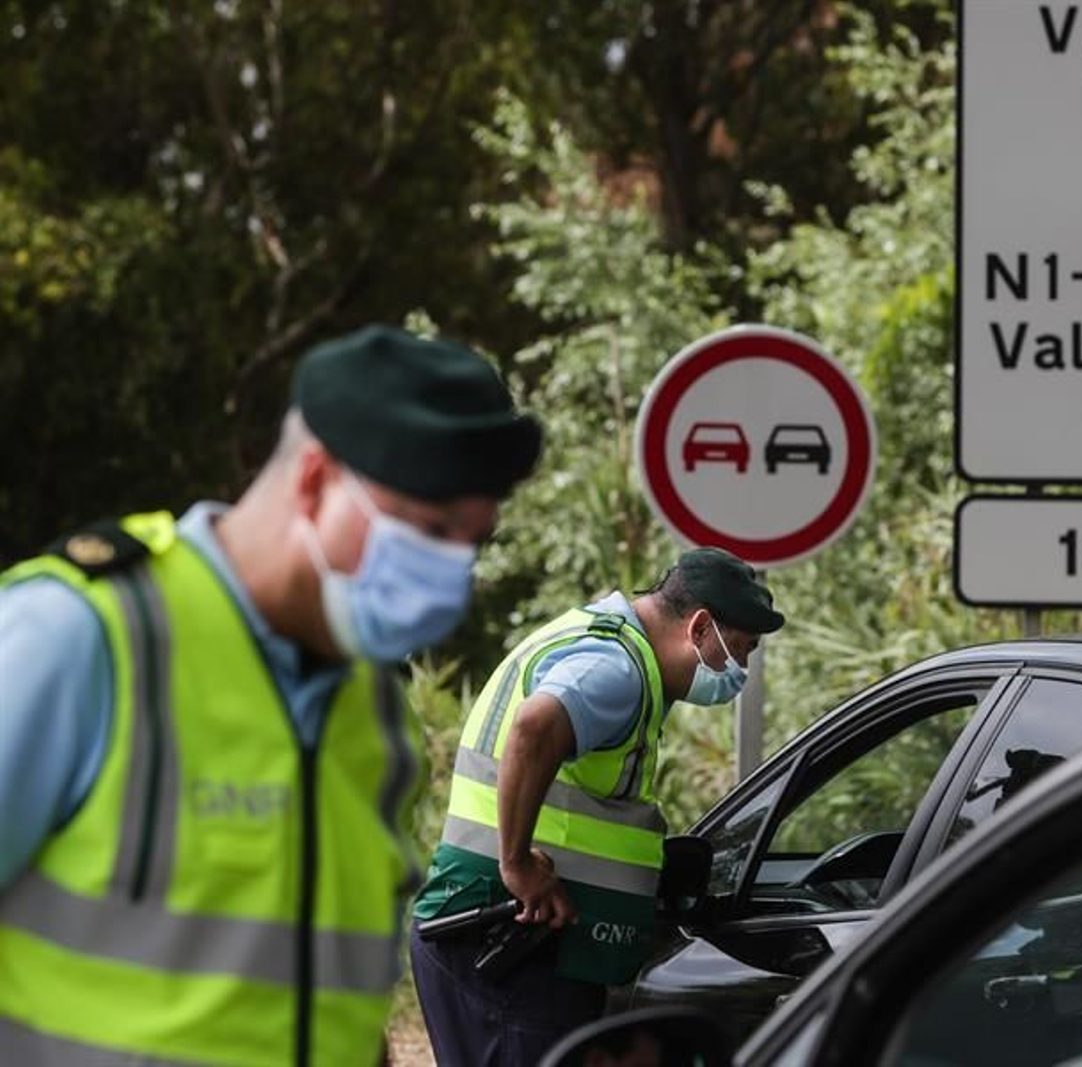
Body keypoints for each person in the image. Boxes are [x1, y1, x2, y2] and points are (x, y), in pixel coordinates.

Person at [0, 325, 541, 1066]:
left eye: (470, 542)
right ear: (315, 480)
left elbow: (325, 998)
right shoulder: (81, 636)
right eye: (430, 528)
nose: (450, 571)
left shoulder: (375, 714)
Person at [410, 546, 785, 1065]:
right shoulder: (616, 669)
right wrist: (516, 862)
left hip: (504, 938)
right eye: (739, 649)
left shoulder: (601, 637)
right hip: (505, 941)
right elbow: (534, 727)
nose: (737, 668)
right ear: (700, 628)